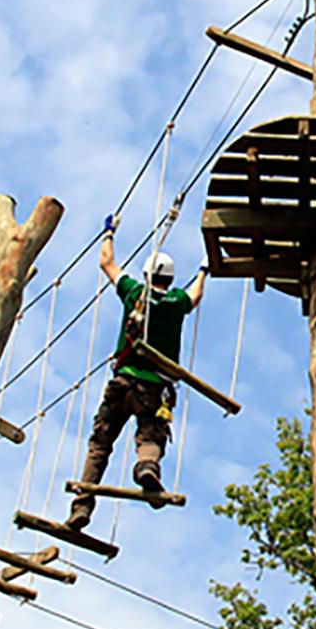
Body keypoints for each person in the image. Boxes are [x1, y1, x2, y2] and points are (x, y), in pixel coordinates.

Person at [68, 217, 205, 529]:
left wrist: (109, 232)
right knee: (151, 434)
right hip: (154, 390)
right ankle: (147, 466)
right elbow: (195, 296)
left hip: (123, 382)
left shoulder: (134, 292)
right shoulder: (176, 302)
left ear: (147, 274)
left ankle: (82, 505)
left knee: (100, 443)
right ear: (170, 279)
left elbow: (106, 262)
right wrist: (203, 270)